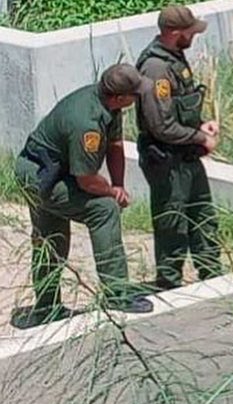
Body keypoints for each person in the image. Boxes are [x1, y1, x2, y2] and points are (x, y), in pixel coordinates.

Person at [13, 64, 153, 329]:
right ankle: (116, 293)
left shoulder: (106, 104)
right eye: (135, 94)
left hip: (49, 171)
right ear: (120, 97)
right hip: (40, 176)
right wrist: (113, 193)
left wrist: (119, 183)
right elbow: (87, 180)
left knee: (52, 237)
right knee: (103, 209)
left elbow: (114, 147)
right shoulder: (86, 122)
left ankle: (46, 307)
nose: (138, 98)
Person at [136, 4, 221, 291]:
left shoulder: (174, 57)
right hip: (167, 160)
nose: (193, 37)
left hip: (185, 154)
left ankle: (211, 274)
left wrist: (201, 127)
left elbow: (178, 112)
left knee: (203, 215)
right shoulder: (156, 69)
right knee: (173, 222)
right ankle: (169, 283)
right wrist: (200, 138)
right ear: (174, 33)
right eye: (189, 32)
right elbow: (161, 126)